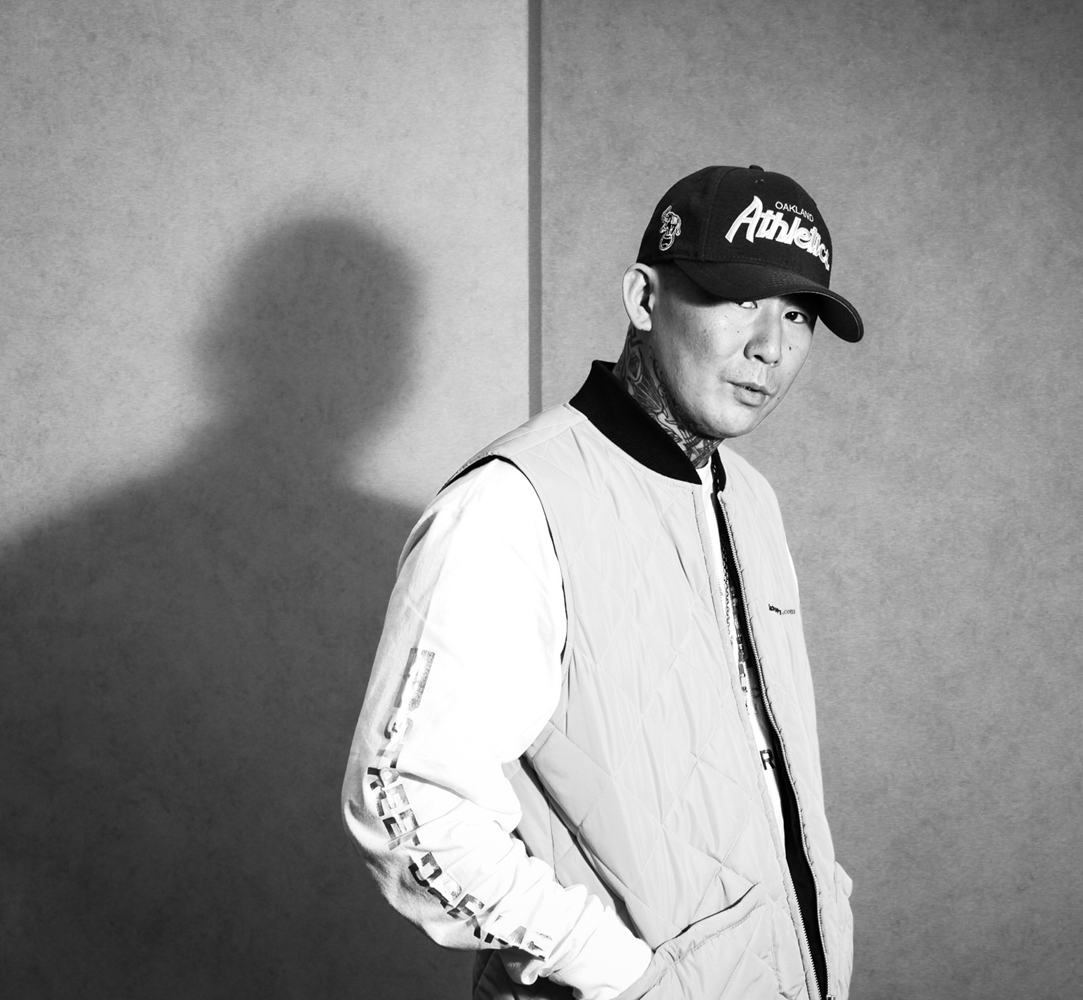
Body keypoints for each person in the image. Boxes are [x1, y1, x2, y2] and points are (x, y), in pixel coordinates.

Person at [342, 165, 863, 1000]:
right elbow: (405, 799)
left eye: (797, 314)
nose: (772, 345)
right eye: (740, 299)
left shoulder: (751, 501)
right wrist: (615, 972)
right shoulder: (513, 504)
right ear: (643, 298)